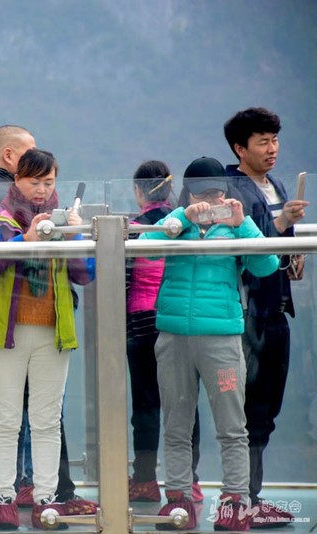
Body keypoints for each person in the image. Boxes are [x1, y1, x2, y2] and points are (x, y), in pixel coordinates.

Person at [0, 125, 96, 520]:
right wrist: (25, 239)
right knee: (6, 419)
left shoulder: (63, 223)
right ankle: (3, 498)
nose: (42, 190)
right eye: (34, 182)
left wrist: (74, 235)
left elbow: (85, 274)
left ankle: (46, 499)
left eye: (48, 182)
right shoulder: (0, 219)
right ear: (18, 180)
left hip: (53, 332)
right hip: (4, 333)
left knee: (46, 420)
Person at [141, 157, 279, 532]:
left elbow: (267, 265)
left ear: (226, 193)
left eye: (216, 193)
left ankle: (236, 502)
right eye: (201, 194)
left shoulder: (235, 228)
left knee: (232, 425)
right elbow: (144, 248)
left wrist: (242, 224)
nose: (210, 201)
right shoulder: (174, 225)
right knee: (176, 424)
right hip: (173, 337)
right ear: (187, 194)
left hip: (222, 339)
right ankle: (178, 501)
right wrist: (181, 219)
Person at [223, 107, 308, 528]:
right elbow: (249, 242)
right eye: (262, 142)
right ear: (240, 148)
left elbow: (276, 241)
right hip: (249, 311)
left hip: (276, 307)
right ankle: (241, 498)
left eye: (274, 140)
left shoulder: (273, 184)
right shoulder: (231, 189)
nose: (272, 149)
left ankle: (250, 496)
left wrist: (293, 251)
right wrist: (283, 221)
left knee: (266, 407)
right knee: (248, 408)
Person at [126, 161, 203, 503]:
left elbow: (122, 279)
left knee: (146, 405)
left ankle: (145, 480)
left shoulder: (133, 228)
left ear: (137, 191)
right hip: (176, 318)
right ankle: (189, 481)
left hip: (141, 321)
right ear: (170, 190)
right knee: (185, 402)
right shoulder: (182, 225)